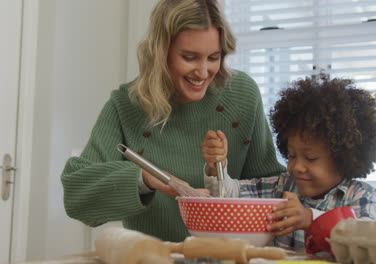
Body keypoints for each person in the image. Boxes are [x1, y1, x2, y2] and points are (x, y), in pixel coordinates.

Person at [61, 0, 285, 243]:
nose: (202, 72)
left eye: (213, 57)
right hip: (153, 257)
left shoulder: (243, 94)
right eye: (189, 57)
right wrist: (144, 179)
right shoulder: (126, 105)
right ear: (161, 51)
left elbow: (272, 188)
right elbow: (76, 195)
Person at [202, 73, 376, 250]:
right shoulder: (282, 187)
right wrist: (217, 166)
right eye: (291, 155)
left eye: (311, 158)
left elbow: (366, 242)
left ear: (343, 158)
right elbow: (229, 196)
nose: (297, 167)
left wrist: (310, 219)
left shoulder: (362, 196)